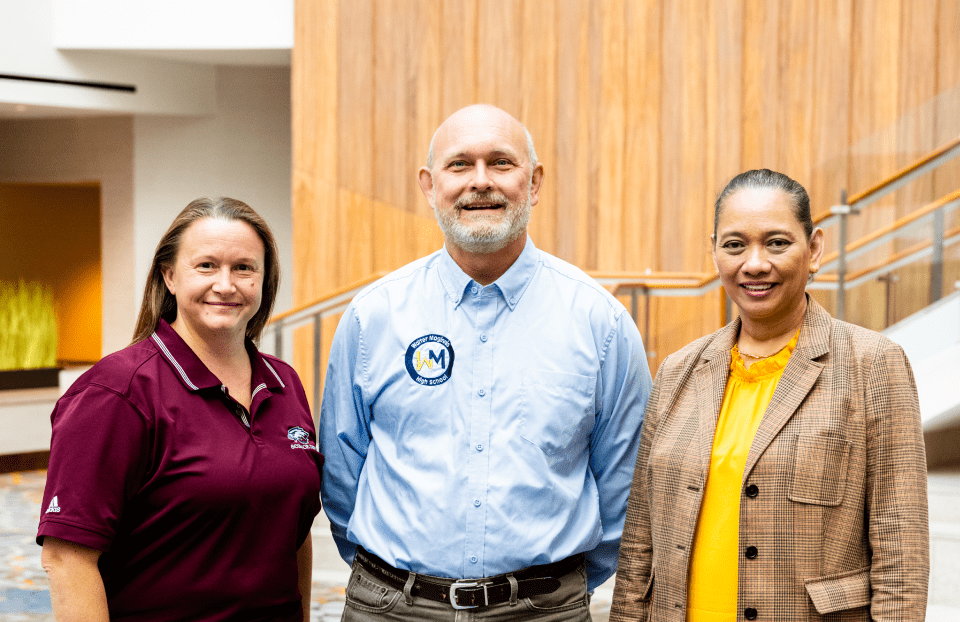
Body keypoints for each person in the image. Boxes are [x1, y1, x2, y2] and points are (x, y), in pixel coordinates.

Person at [320, 104, 652, 620]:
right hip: (392, 608)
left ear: (534, 182)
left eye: (501, 163)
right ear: (430, 186)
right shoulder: (373, 318)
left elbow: (625, 481)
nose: (480, 182)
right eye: (459, 165)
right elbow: (342, 474)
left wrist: (560, 590)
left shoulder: (600, 323)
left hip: (543, 610)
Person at [610, 169, 929, 622]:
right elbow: (640, 539)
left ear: (814, 248)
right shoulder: (678, 371)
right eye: (735, 244)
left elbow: (901, 549)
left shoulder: (872, 364)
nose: (755, 263)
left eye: (777, 243)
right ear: (715, 251)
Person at [38, 198, 322, 622]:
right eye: (206, 266)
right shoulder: (116, 392)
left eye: (244, 268)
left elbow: (292, 535)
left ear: (265, 281)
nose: (226, 284)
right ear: (169, 276)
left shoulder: (284, 383)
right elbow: (68, 560)